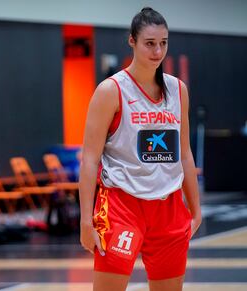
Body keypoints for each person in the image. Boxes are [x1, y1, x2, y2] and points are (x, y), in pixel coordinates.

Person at [79, 7, 202, 291]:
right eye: (150, 43)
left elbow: (184, 153)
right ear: (132, 41)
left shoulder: (178, 90)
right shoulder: (111, 91)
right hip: (122, 206)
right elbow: (89, 159)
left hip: (169, 208)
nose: (158, 51)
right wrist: (86, 220)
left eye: (163, 43)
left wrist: (196, 210)